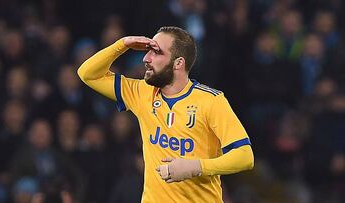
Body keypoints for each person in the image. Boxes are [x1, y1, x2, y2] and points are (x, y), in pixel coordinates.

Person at [78, 26, 254, 203]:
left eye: (156, 53)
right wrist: (122, 45)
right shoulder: (142, 92)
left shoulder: (211, 101)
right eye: (148, 52)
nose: (146, 59)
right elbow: (87, 74)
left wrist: (196, 166)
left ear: (178, 63)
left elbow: (245, 156)